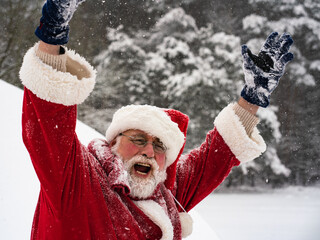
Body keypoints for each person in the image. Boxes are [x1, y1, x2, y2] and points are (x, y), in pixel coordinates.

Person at [20, 0, 293, 239]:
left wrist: (252, 99)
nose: (149, 151)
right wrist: (53, 33)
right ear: (114, 142)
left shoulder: (166, 192)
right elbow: (48, 122)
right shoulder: (79, 182)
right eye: (138, 139)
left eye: (159, 146)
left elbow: (216, 156)